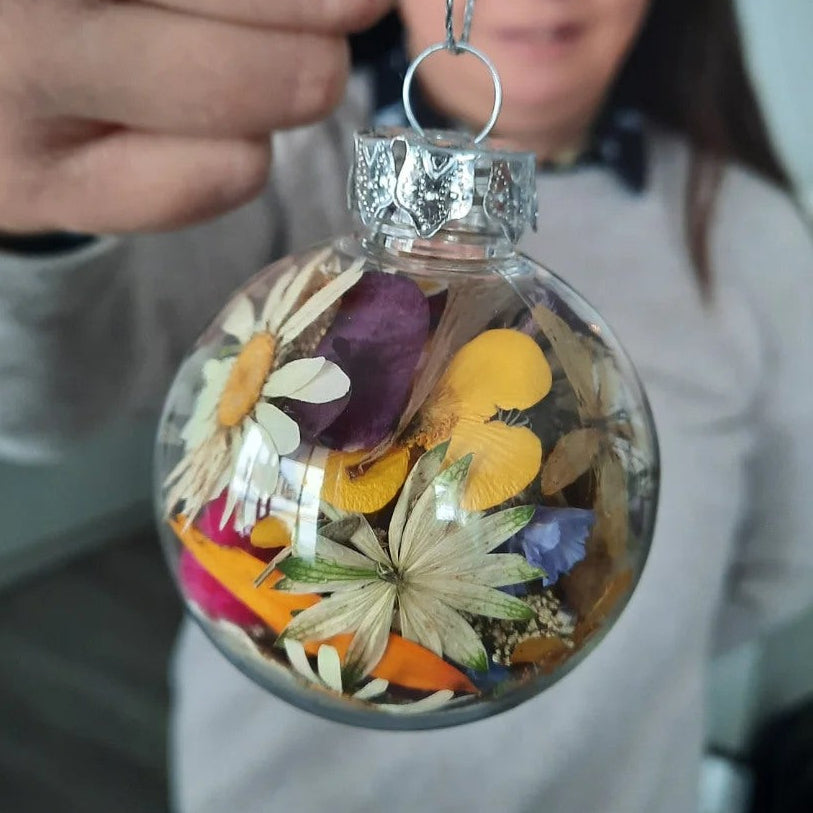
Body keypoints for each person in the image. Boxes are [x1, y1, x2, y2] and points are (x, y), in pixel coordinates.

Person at [1, 1, 811, 811]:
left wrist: (599, 636)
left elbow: (777, 565)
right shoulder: (273, 161)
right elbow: (49, 398)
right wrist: (30, 211)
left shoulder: (749, 232)